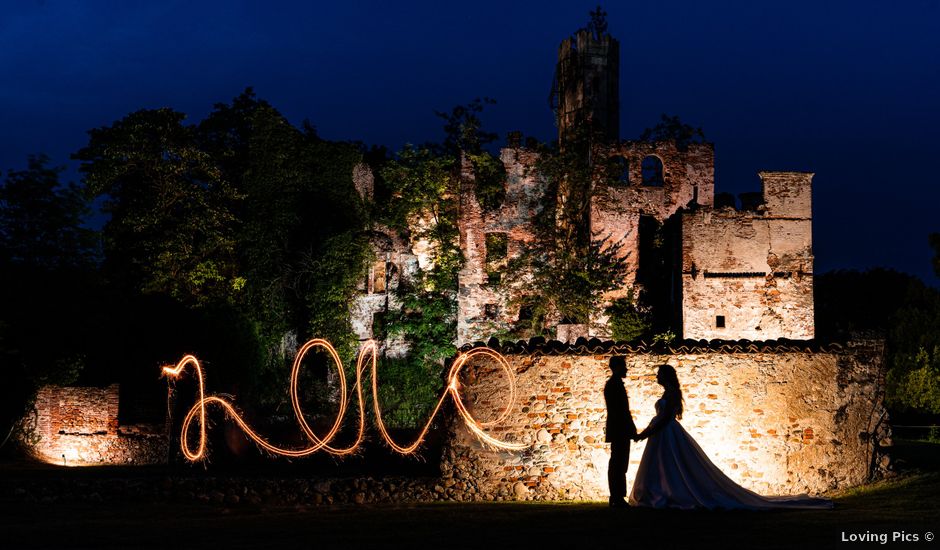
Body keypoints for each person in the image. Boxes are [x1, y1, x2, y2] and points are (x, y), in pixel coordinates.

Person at [630, 364, 833, 510]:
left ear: (665, 376)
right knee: (666, 466)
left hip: (667, 434)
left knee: (674, 465)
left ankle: (669, 494)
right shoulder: (670, 392)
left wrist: (646, 433)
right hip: (663, 434)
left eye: (658, 374)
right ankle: (661, 493)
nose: (656, 377)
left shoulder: (672, 393)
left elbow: (665, 418)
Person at [604, 355, 637, 508]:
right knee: (619, 463)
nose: (626, 369)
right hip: (620, 429)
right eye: (624, 366)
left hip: (618, 428)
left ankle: (617, 497)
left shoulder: (614, 384)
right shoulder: (614, 385)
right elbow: (622, 410)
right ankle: (617, 497)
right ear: (617, 367)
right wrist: (631, 428)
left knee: (618, 463)